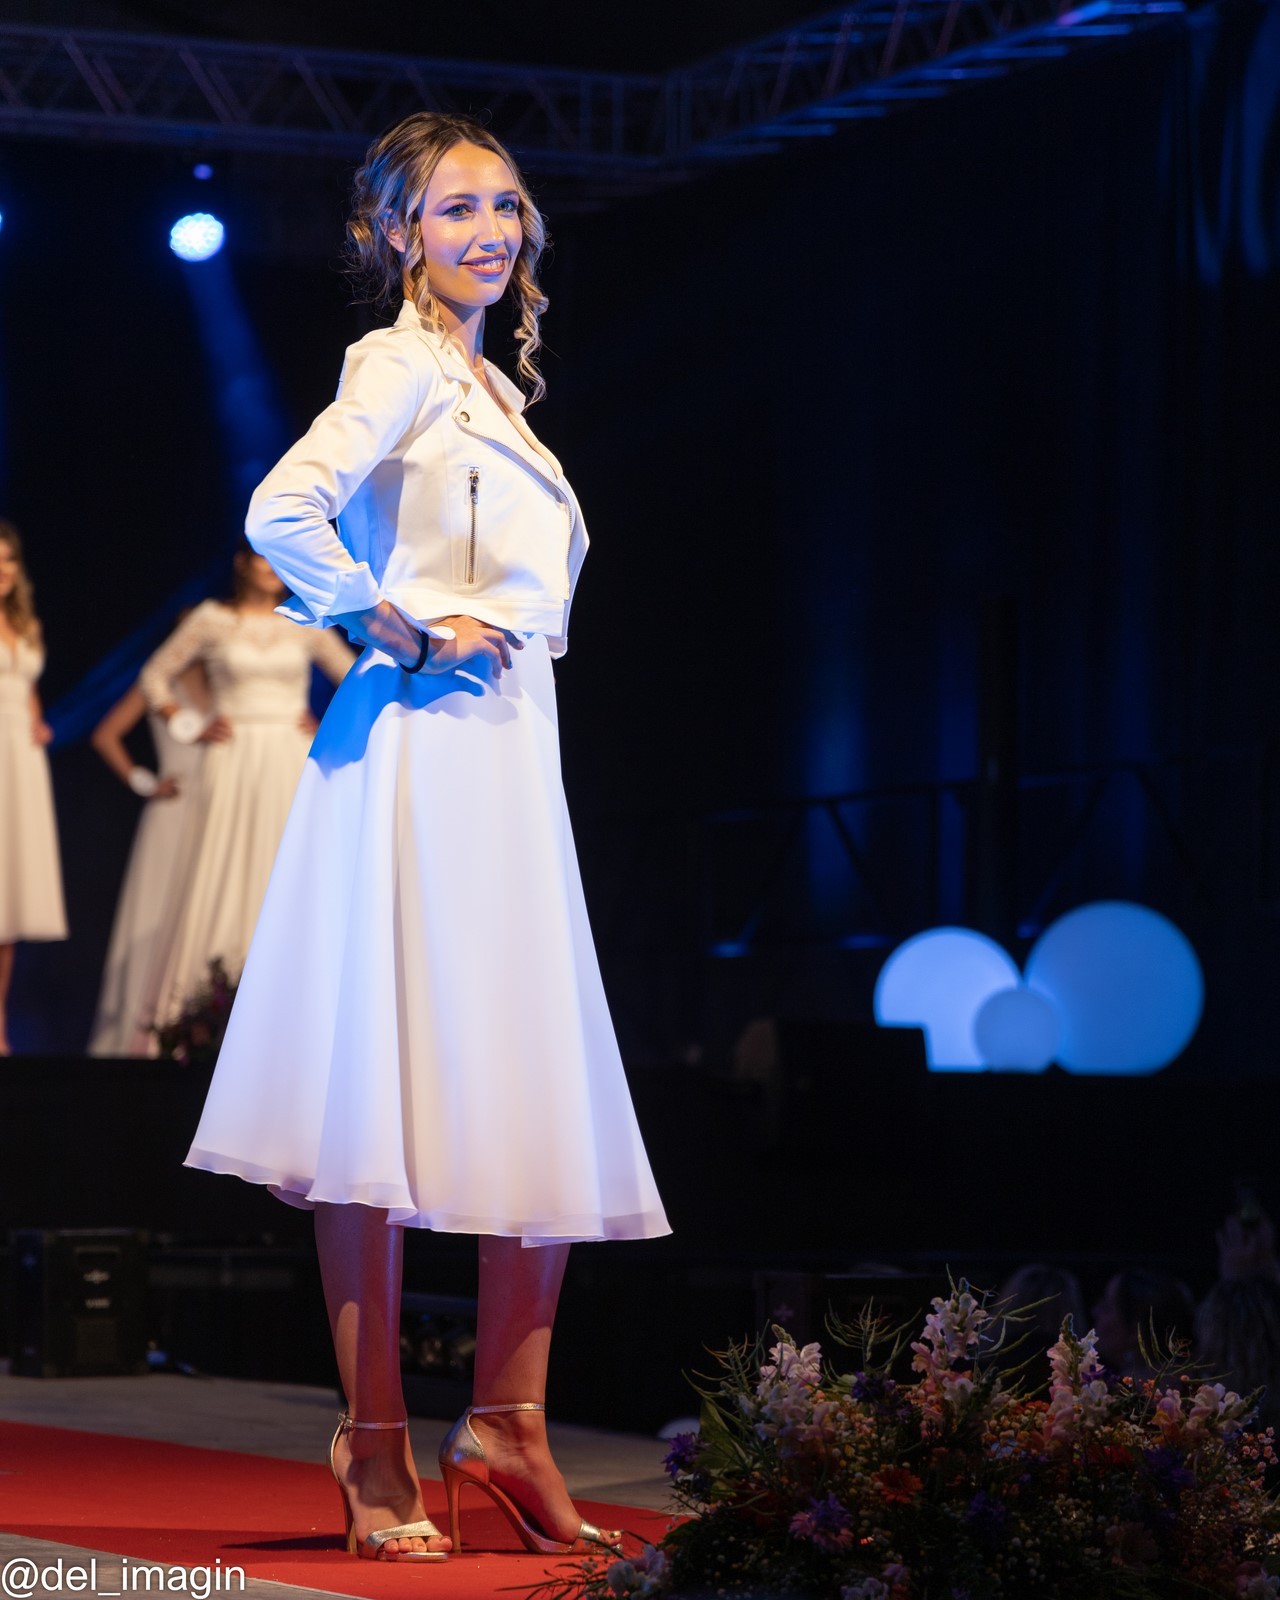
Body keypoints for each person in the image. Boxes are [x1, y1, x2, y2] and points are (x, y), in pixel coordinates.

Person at [182, 112, 670, 1562]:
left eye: (506, 206)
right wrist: (388, 623)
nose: (490, 232)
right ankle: (378, 1436)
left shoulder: (493, 388)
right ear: (397, 232)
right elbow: (284, 507)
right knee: (377, 1099)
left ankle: (510, 1426)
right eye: (457, 209)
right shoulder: (394, 363)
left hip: (509, 751)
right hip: (417, 751)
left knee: (530, 1071)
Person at [138, 549, 353, 1027]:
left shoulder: (305, 618)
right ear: (242, 563)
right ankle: (204, 1015)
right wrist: (189, 724)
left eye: (280, 558)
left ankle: (296, 1010)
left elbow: (354, 677)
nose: (274, 567)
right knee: (222, 865)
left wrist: (328, 727)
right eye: (263, 558)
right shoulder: (212, 620)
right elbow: (154, 678)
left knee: (288, 864)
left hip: (290, 755)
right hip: (232, 757)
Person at [87, 626, 212, 1056]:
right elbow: (105, 735)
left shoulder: (229, 681)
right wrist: (147, 784)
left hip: (218, 809)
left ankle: (201, 1028)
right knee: (156, 915)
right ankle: (145, 1032)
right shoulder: (162, 683)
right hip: (172, 814)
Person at [0, 518, 67, 1055]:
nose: (3, 569)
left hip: (21, 758)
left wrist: (38, 722)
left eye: (9, 559)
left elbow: (25, 686)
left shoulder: (25, 624)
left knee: (11, 896)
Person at [1092, 1267, 1196, 1379]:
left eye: (1106, 1307)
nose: (1095, 1312)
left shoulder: (1128, 1386)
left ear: (1136, 1330)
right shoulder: (1193, 1381)